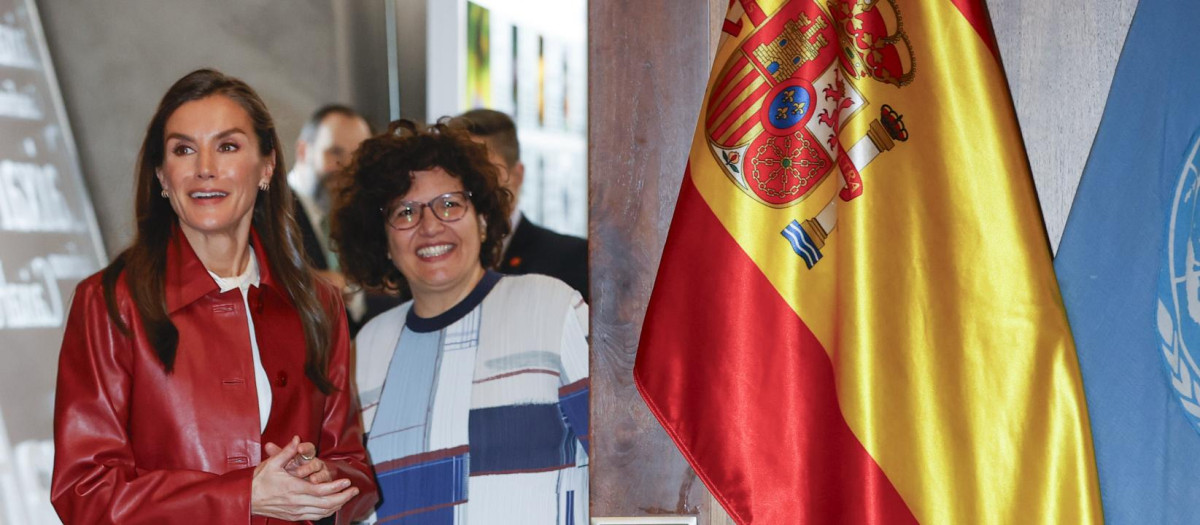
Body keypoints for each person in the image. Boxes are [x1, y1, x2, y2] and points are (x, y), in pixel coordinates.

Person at [50, 69, 377, 524]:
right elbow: (83, 492)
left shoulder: (316, 304)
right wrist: (241, 497)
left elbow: (356, 470)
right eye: (184, 149)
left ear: (266, 166)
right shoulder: (111, 302)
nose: (205, 167)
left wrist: (324, 482)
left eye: (227, 146)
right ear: (163, 176)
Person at [331, 120, 590, 524]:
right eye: (405, 212)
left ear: (484, 219)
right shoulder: (367, 348)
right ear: (382, 241)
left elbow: (623, 466)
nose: (430, 225)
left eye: (450, 204)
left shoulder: (552, 308)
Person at [451, 109, 589, 301]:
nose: (471, 187)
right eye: (457, 176)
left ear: (518, 175)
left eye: (484, 175)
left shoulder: (572, 261)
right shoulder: (433, 264)